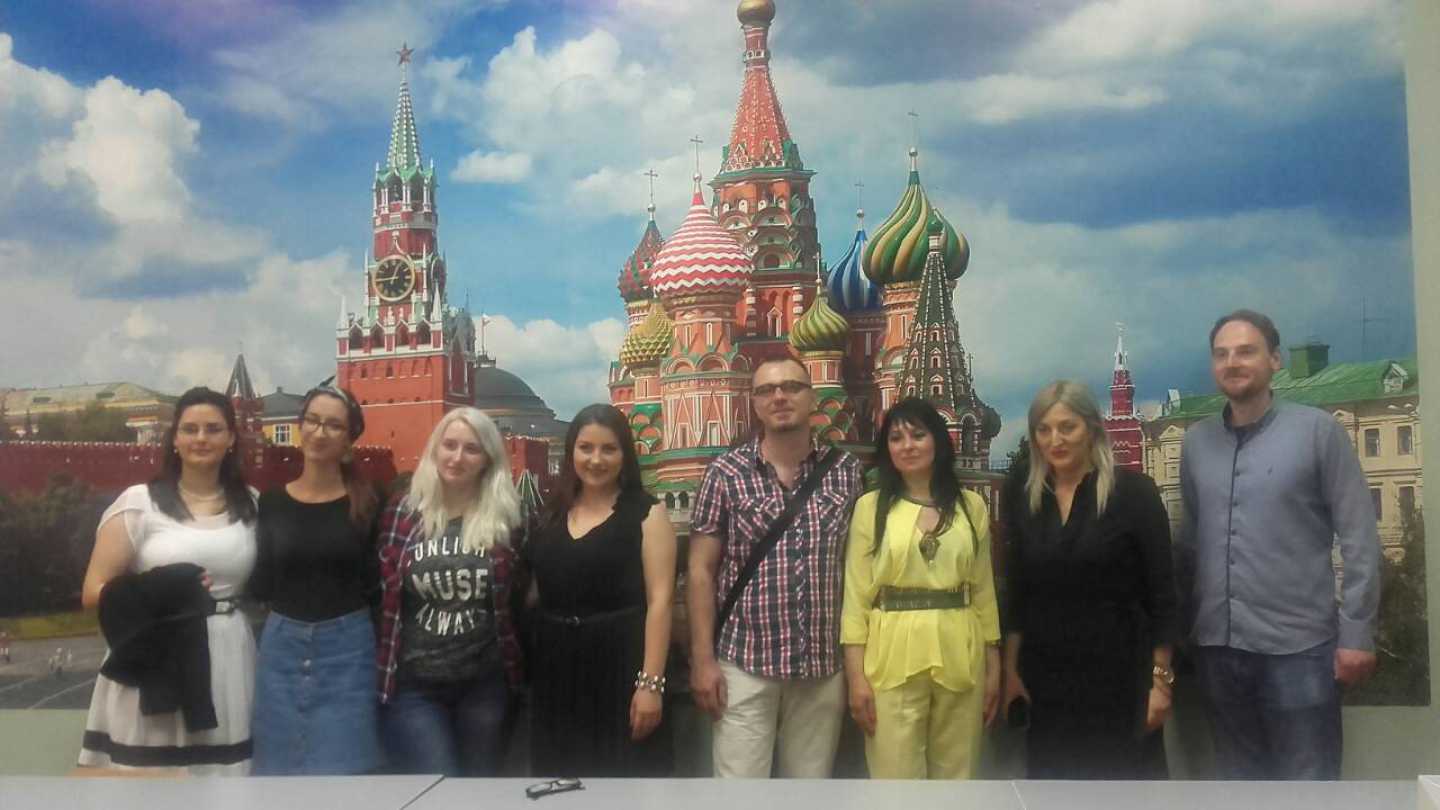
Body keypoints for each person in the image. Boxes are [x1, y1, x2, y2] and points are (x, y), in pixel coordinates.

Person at [1178, 309, 1381, 780]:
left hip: (1299, 652)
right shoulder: (1196, 443)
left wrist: (1357, 634)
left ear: (1275, 360)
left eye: (1246, 351)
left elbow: (1359, 536)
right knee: (1238, 787)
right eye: (1221, 354)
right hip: (1218, 651)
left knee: (1307, 788)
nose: (1232, 362)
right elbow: (1189, 541)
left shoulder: (1318, 431)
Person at [688, 356, 863, 778]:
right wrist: (702, 660)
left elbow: (859, 571)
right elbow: (700, 571)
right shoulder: (725, 473)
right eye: (766, 390)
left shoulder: (846, 473)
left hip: (820, 665)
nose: (779, 397)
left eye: (792, 387)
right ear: (754, 403)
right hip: (745, 662)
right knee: (740, 794)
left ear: (812, 397)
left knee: (809, 793)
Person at [999, 382, 1178, 779]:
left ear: (1092, 428)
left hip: (1123, 681)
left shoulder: (1134, 494)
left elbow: (1162, 595)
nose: (1055, 440)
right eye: (1044, 429)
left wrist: (1160, 680)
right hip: (1046, 683)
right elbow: (1018, 596)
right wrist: (1011, 672)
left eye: (1068, 427)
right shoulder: (1024, 496)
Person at [77, 386, 259, 775]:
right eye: (190, 429)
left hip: (227, 653)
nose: (201, 438)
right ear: (174, 439)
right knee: (150, 779)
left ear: (230, 438)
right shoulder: (138, 503)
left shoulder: (252, 504)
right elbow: (92, 592)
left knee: (222, 781)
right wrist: (158, 587)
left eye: (213, 429)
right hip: (157, 653)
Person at [841, 398, 1001, 779]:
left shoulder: (971, 507)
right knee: (895, 779)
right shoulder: (870, 508)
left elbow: (983, 588)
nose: (907, 445)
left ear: (938, 441)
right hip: (891, 649)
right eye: (896, 438)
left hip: (960, 644)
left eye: (917, 435)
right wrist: (856, 677)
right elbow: (856, 597)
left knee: (957, 777)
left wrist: (993, 664)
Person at [523, 404, 677, 776]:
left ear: (625, 455)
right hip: (557, 672)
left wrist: (651, 685)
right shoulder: (549, 515)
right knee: (559, 782)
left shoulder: (646, 514)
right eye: (586, 448)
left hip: (621, 667)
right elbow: (534, 592)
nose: (596, 459)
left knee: (624, 781)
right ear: (571, 452)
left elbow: (660, 602)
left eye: (609, 449)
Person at [375, 407, 524, 776]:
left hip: (484, 688)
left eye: (471, 449)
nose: (457, 457)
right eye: (450, 445)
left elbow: (520, 597)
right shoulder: (403, 513)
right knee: (437, 784)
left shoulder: (507, 519)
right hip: (415, 688)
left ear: (488, 458)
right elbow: (383, 592)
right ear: (435, 449)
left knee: (479, 790)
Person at [249, 383, 383, 775]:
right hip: (282, 650)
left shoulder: (368, 502)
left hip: (349, 651)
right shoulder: (272, 502)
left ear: (349, 439)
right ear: (300, 426)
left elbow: (377, 585)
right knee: (278, 769)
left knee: (345, 769)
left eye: (333, 425)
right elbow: (261, 582)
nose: (319, 432)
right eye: (312, 420)